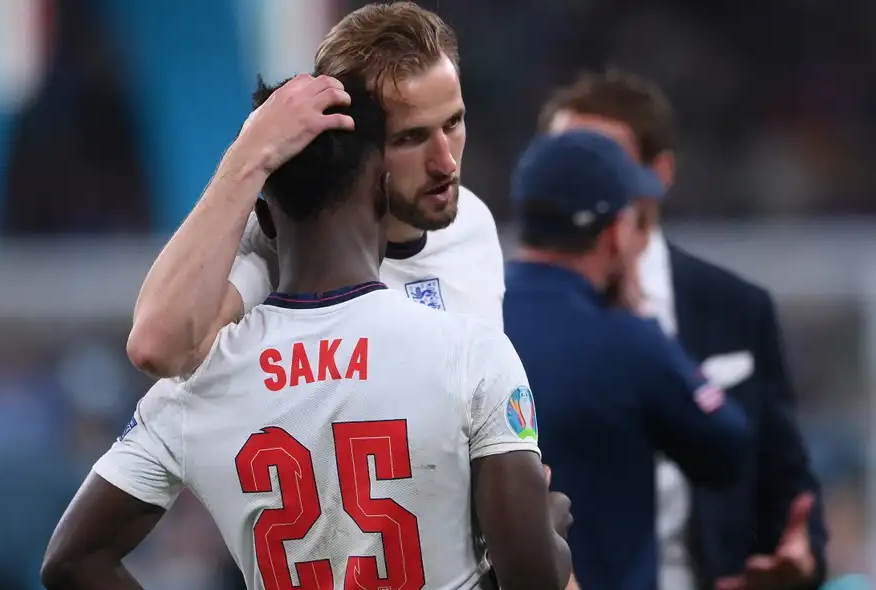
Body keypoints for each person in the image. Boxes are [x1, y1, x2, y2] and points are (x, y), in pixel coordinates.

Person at [40, 76, 572, 590]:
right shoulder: (469, 353)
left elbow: (71, 560)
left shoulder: (195, 386)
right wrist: (548, 529)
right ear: (382, 196)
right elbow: (531, 578)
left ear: (266, 223)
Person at [538, 70, 828, 590]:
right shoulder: (508, 313)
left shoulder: (736, 308)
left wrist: (802, 557)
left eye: (602, 159)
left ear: (660, 174)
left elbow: (784, 475)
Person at [126, 1, 505, 380]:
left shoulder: (475, 224)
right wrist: (248, 154)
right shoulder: (293, 248)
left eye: (453, 123)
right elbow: (155, 347)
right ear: (353, 143)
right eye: (411, 138)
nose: (446, 163)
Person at [503, 129, 752, 590]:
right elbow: (728, 449)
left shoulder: (472, 318)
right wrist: (644, 319)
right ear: (616, 233)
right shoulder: (629, 342)